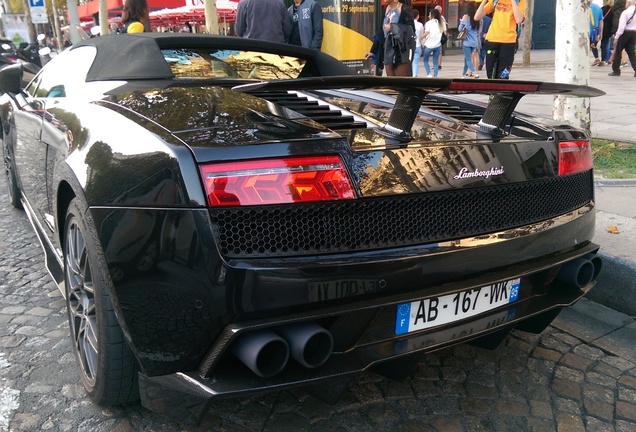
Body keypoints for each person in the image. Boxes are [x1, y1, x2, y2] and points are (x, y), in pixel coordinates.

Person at [474, 0, 526, 79]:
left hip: (509, 42)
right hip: (492, 40)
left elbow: (519, 19)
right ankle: (492, 89)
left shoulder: (520, 2)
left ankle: (503, 89)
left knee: (504, 73)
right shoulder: (495, 1)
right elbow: (476, 17)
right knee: (490, 73)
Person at [366, 0, 416, 77]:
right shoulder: (386, 8)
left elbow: (411, 29)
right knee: (390, 81)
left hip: (401, 49)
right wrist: (373, 50)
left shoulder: (405, 9)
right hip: (388, 48)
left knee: (400, 82)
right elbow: (380, 32)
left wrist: (392, 27)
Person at [608, 0, 636, 76]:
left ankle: (616, 70)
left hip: (624, 33)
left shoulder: (625, 12)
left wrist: (616, 37)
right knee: (631, 52)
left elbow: (621, 27)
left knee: (618, 52)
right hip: (633, 33)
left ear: (629, 3)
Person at [458, 2, 480, 78]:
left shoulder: (465, 17)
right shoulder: (477, 18)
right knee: (466, 59)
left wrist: (461, 22)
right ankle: (463, 74)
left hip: (467, 41)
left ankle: (474, 72)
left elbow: (460, 29)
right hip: (474, 42)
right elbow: (478, 31)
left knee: (468, 59)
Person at [422, 8, 444, 77]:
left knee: (425, 60)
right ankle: (435, 75)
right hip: (438, 45)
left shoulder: (428, 23)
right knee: (435, 62)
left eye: (429, 14)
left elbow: (426, 33)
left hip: (429, 45)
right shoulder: (441, 23)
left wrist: (420, 37)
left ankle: (428, 73)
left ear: (432, 15)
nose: (428, 16)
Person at [600, 0, 614, 66]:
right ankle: (608, 57)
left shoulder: (602, 9)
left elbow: (600, 19)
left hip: (603, 29)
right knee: (606, 43)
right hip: (609, 29)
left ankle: (604, 59)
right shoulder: (612, 9)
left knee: (603, 45)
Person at [590, 1, 605, 65]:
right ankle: (597, 58)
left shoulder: (583, 7)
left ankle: (596, 58)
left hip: (586, 30)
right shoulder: (598, 8)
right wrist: (601, 32)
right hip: (595, 30)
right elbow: (601, 21)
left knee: (591, 45)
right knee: (593, 45)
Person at [435, 5, 447, 70]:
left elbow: (444, 28)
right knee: (437, 51)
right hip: (435, 36)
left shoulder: (441, 18)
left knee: (439, 51)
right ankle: (436, 64)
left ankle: (439, 65)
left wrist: (444, 35)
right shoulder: (435, 18)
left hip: (439, 36)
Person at [412, 9, 425, 76]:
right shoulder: (420, 25)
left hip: (410, 46)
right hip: (418, 45)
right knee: (415, 62)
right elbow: (421, 36)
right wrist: (423, 44)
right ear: (417, 16)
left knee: (409, 61)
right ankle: (415, 74)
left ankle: (410, 74)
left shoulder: (409, 24)